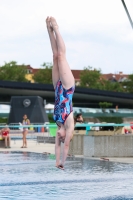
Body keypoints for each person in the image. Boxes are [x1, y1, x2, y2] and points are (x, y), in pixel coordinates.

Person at [46, 16, 75, 170]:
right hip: (67, 87)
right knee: (62, 57)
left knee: (55, 57)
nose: (58, 137)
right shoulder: (69, 124)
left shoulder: (58, 125)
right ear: (66, 136)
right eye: (61, 138)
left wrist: (56, 162)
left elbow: (57, 148)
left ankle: (49, 31)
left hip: (57, 88)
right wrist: (63, 162)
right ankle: (57, 28)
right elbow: (65, 147)